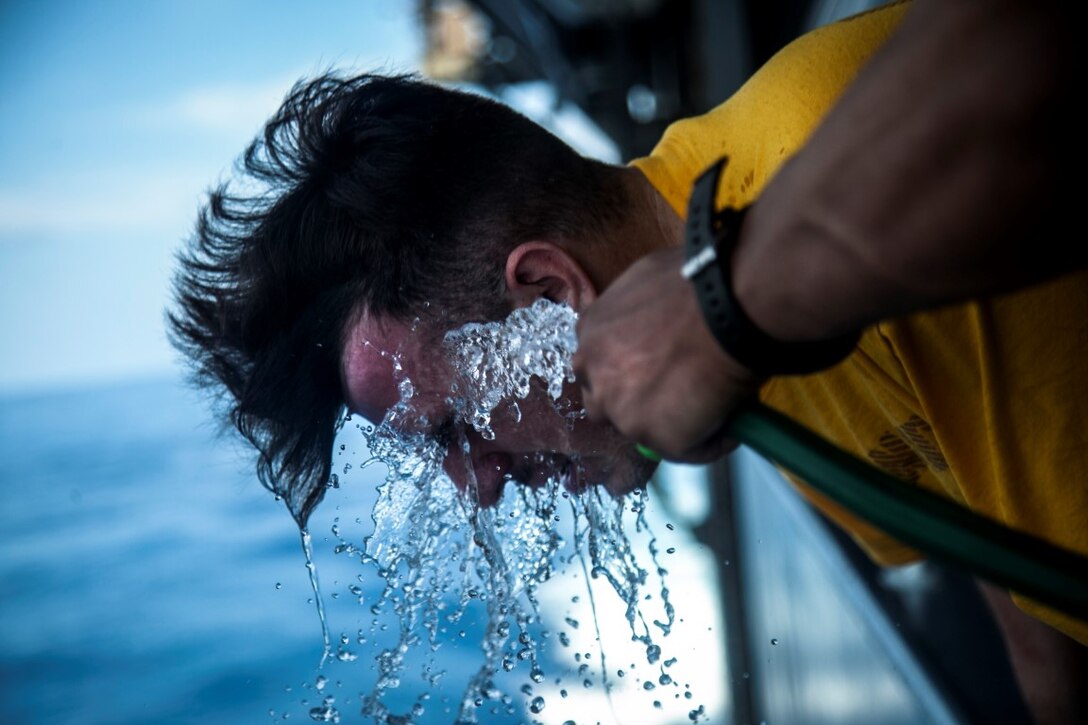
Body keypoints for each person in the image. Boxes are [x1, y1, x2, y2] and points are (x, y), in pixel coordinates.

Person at [170, 0, 1083, 719]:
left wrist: (730, 306)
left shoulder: (814, 138)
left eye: (449, 426)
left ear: (551, 300)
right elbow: (1027, 597)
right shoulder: (753, 375)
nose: (476, 484)